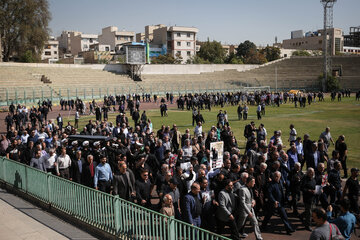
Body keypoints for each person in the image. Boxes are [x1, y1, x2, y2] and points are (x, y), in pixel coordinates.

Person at [236, 176, 263, 240]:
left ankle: (258, 237)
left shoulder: (251, 188)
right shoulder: (242, 189)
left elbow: (250, 198)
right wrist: (248, 212)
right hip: (244, 210)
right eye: (253, 182)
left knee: (255, 222)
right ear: (249, 182)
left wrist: (253, 201)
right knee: (240, 224)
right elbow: (242, 202)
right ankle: (235, 235)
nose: (254, 183)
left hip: (251, 208)